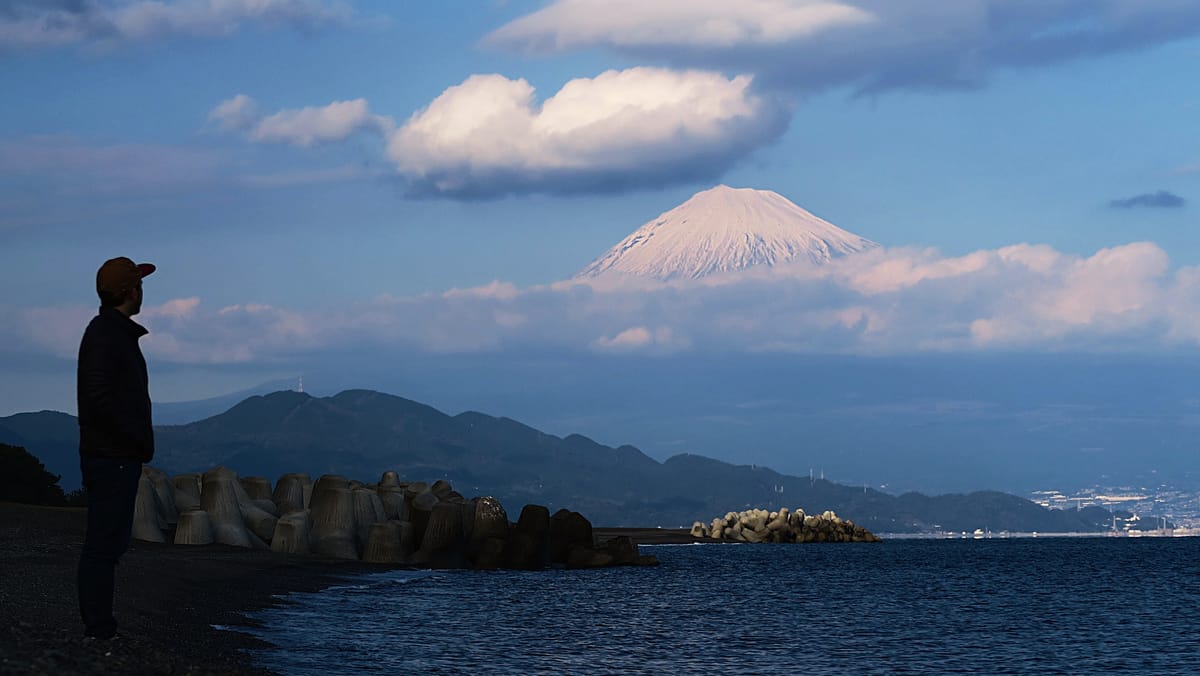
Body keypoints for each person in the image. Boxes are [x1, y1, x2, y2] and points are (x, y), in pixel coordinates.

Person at [76, 256, 157, 640]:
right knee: (104, 544)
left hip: (113, 454)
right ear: (130, 291)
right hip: (112, 457)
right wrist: (133, 439)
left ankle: (100, 625)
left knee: (108, 542)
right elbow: (98, 397)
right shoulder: (106, 336)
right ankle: (99, 629)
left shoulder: (109, 332)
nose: (143, 290)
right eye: (139, 284)